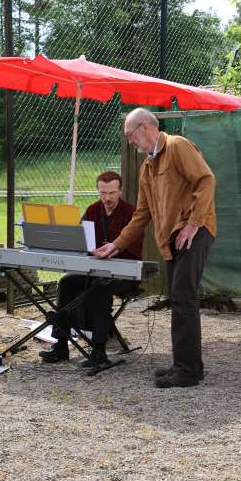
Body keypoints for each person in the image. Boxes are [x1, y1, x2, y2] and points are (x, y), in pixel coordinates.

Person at [93, 108, 216, 388]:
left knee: (183, 297)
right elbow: (141, 215)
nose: (130, 142)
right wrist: (115, 245)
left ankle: (187, 372)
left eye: (130, 135)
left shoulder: (177, 146)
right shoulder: (147, 167)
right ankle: (186, 366)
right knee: (179, 298)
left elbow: (206, 180)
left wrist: (193, 223)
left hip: (194, 230)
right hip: (174, 236)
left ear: (145, 127)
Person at [39, 170, 143, 367]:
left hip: (124, 273)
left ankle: (99, 350)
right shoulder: (93, 210)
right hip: (95, 270)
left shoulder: (132, 213)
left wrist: (110, 252)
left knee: (100, 287)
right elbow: (81, 241)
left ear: (120, 191)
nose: (107, 198)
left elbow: (134, 250)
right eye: (103, 193)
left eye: (112, 193)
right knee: (67, 282)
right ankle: (60, 344)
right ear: (97, 191)